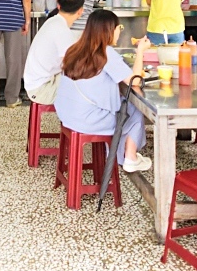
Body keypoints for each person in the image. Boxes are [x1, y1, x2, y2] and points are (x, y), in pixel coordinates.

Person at [54, 10, 153, 173]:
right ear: (109, 30)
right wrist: (141, 51)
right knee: (134, 108)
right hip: (89, 120)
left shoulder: (76, 49)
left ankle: (121, 154)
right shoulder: (106, 52)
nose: (119, 32)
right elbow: (134, 81)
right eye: (118, 28)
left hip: (68, 114)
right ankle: (130, 157)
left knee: (123, 105)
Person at [23, 0, 86, 102]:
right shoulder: (61, 30)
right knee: (87, 87)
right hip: (42, 89)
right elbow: (74, 65)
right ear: (81, 11)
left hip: (37, 83)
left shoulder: (54, 22)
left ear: (58, 6)